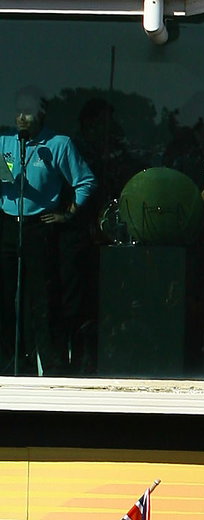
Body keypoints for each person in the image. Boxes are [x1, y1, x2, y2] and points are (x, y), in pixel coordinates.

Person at [0, 87, 96, 377]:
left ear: (41, 113)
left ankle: (52, 366)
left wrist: (68, 214)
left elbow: (86, 181)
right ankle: (11, 364)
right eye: (17, 111)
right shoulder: (5, 142)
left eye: (27, 112)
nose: (21, 118)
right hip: (8, 223)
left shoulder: (57, 144)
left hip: (40, 226)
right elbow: (5, 177)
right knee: (5, 297)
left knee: (42, 299)